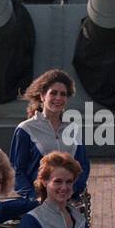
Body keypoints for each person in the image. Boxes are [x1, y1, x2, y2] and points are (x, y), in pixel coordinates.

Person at [9, 69, 89, 200]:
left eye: (63, 94)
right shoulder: (25, 129)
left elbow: (83, 165)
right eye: (53, 93)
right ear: (42, 96)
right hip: (39, 204)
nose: (58, 98)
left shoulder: (74, 129)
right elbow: (17, 171)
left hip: (69, 202)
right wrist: (34, 197)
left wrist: (72, 191)